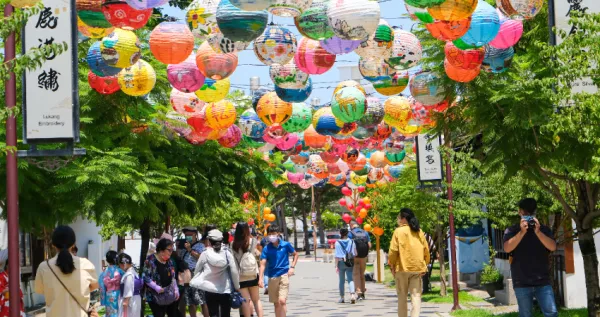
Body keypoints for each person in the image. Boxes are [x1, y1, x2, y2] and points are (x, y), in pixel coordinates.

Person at [503, 198, 558, 317]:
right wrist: (522, 232)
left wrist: (538, 232)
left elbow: (553, 247)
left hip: (542, 280)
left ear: (535, 213)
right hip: (522, 281)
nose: (528, 218)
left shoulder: (543, 229)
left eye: (531, 214)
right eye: (525, 214)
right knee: (525, 314)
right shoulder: (512, 230)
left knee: (552, 313)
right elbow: (507, 248)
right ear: (520, 212)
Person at [35, 225, 100, 317]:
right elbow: (94, 286)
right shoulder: (86, 265)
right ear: (73, 244)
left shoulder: (44, 267)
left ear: (53, 244)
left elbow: (40, 290)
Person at [388, 208, 430, 317]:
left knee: (402, 296)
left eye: (399, 217)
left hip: (402, 267)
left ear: (403, 219)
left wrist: (391, 265)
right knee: (416, 296)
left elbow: (393, 250)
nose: (398, 219)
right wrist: (425, 264)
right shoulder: (419, 231)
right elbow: (426, 249)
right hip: (416, 268)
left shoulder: (398, 231)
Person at [191, 229, 240, 317]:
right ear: (221, 240)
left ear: (209, 241)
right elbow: (234, 271)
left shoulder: (205, 254)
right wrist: (237, 287)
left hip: (209, 289)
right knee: (226, 314)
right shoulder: (227, 253)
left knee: (213, 314)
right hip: (225, 289)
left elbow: (197, 270)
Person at [259, 225, 299, 317]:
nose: (271, 236)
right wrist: (260, 278)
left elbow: (295, 254)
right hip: (272, 276)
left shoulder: (286, 245)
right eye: (269, 234)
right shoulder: (266, 248)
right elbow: (262, 264)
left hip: (284, 275)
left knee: (282, 301)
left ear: (278, 234)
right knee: (276, 303)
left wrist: (292, 267)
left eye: (273, 234)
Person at [232, 222, 263, 317]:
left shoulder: (233, 244)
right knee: (256, 300)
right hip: (253, 274)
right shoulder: (252, 241)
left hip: (240, 276)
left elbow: (233, 262)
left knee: (245, 301)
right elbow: (257, 254)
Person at [142, 238, 180, 317]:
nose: (171, 252)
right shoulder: (150, 260)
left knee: (173, 314)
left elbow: (173, 276)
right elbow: (145, 277)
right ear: (161, 250)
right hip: (154, 296)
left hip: (168, 293)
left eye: (172, 250)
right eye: (169, 250)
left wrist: (176, 289)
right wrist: (156, 287)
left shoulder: (169, 261)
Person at [182, 226, 207, 317]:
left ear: (195, 235)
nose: (187, 236)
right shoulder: (183, 246)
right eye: (186, 235)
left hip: (197, 274)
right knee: (190, 301)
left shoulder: (200, 245)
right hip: (186, 275)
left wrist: (190, 250)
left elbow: (201, 258)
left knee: (202, 300)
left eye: (190, 235)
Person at [334, 228, 357, 304]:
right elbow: (354, 253)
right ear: (347, 233)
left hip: (341, 262)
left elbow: (337, 255)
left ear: (340, 233)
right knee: (350, 279)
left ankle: (342, 297)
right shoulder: (351, 241)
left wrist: (336, 265)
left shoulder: (337, 243)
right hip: (349, 262)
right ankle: (352, 295)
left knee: (341, 281)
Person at [349, 223, 371, 300]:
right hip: (363, 256)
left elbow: (349, 246)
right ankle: (363, 292)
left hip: (355, 256)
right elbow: (369, 245)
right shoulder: (365, 233)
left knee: (356, 274)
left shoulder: (351, 233)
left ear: (352, 226)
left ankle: (358, 291)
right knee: (362, 274)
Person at [0, 249, 25, 317]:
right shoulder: (1, 276)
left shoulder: (14, 276)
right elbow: (1, 291)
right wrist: (10, 288)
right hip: (6, 306)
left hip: (17, 305)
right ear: (8, 264)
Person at [99, 250, 124, 317]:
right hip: (119, 294)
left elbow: (101, 287)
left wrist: (103, 300)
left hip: (109, 295)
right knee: (120, 313)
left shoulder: (104, 273)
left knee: (110, 314)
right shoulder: (120, 271)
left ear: (107, 260)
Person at [171, 250, 191, 317]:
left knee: (172, 309)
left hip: (175, 287)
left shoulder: (171, 260)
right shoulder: (179, 259)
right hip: (181, 286)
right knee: (174, 308)